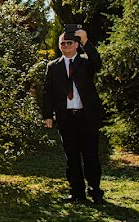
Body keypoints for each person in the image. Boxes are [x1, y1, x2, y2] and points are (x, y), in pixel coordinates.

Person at [42, 28, 105, 204]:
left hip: (87, 116)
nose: (65, 45)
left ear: (77, 45)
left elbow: (98, 63)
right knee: (72, 157)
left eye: (69, 43)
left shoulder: (85, 63)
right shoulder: (53, 66)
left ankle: (95, 191)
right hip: (66, 117)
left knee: (91, 155)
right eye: (62, 43)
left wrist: (86, 42)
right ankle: (76, 192)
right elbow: (48, 92)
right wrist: (48, 115)